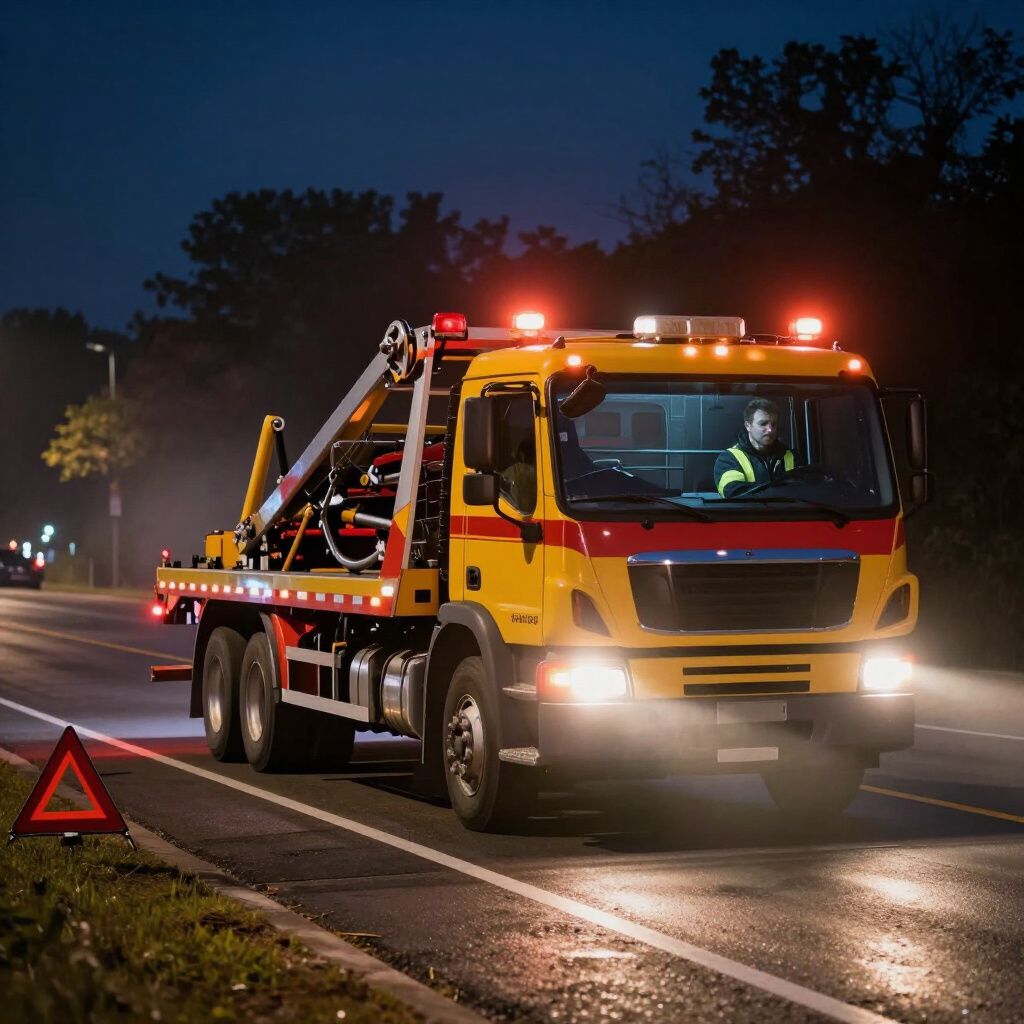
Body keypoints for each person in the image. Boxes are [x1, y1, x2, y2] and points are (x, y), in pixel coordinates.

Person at [714, 398, 797, 497]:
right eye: (763, 424)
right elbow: (733, 492)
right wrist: (781, 492)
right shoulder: (729, 459)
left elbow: (806, 490)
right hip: (750, 512)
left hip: (789, 513)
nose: (770, 430)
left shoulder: (791, 456)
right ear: (748, 426)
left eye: (774, 424)